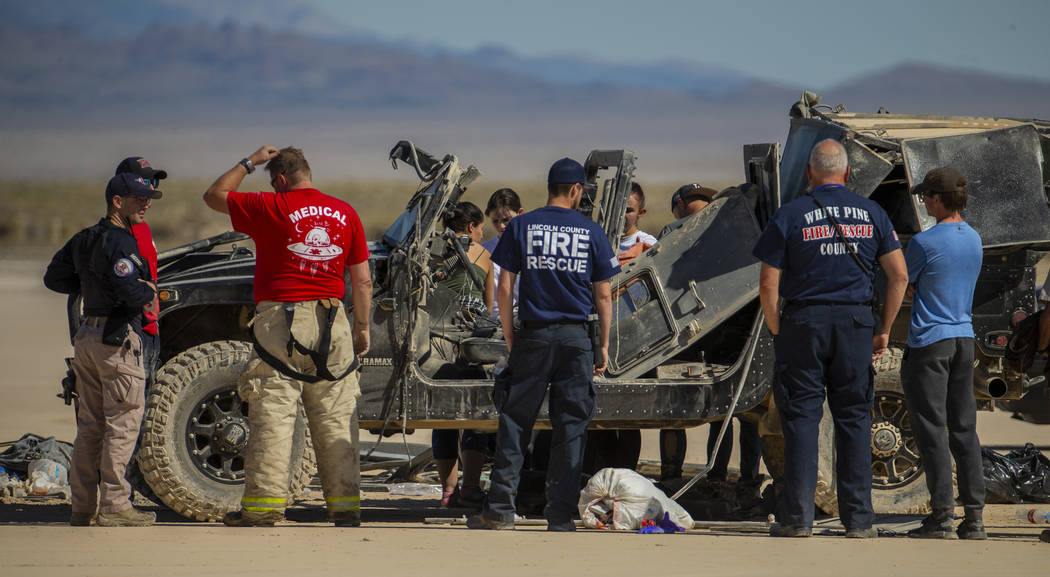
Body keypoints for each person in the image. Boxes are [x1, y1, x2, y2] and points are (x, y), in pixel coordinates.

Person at [203, 146, 372, 527]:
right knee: (335, 415)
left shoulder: (270, 206)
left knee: (274, 414)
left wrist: (249, 163)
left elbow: (214, 196)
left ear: (280, 180)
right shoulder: (345, 212)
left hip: (281, 322)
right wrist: (361, 328)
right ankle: (346, 509)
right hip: (334, 324)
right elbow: (362, 280)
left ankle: (263, 511)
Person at [752, 139, 907, 538]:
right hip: (855, 326)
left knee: (802, 419)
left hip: (804, 323)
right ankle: (859, 521)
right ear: (848, 174)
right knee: (854, 418)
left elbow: (768, 284)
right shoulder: (873, 212)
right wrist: (884, 327)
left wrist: (776, 329)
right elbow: (899, 275)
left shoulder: (791, 215)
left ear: (808, 173)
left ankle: (797, 519)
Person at [468, 157, 619, 531]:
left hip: (533, 335)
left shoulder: (521, 226)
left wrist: (509, 334)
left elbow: (504, 288)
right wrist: (602, 345)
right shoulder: (590, 230)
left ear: (550, 187)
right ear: (575, 190)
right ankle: (559, 516)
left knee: (516, 421)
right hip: (575, 339)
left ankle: (500, 508)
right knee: (570, 428)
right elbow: (603, 296)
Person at [44, 173, 162, 527]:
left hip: (86, 336)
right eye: (139, 197)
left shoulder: (84, 238)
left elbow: (53, 278)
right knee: (122, 424)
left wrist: (90, 283)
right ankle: (115, 506)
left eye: (149, 197)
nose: (147, 203)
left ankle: (82, 506)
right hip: (116, 339)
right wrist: (149, 290)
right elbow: (130, 290)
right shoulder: (120, 242)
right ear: (117, 201)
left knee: (90, 426)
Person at [902, 167, 986, 540]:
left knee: (932, 430)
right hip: (964, 339)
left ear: (938, 199)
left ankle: (940, 517)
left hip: (929, 342)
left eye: (926, 197)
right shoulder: (974, 238)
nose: (923, 202)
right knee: (965, 430)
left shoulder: (924, 242)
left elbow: (903, 286)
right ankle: (975, 519)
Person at [655, 183, 720, 482]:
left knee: (676, 409)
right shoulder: (705, 230)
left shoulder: (673, 231)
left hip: (690, 329)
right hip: (702, 329)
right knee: (711, 413)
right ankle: (701, 476)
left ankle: (676, 475)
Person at [431, 201, 493, 509]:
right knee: (475, 416)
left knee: (443, 418)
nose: (482, 233)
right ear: (471, 228)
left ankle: (447, 491)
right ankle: (470, 488)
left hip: (437, 345)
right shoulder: (482, 255)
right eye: (481, 227)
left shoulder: (434, 255)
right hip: (472, 345)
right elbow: (490, 306)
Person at [114, 156, 167, 385]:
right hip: (130, 330)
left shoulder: (142, 228)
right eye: (143, 189)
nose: (148, 200)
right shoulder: (117, 233)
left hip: (150, 328)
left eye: (153, 186)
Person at [482, 188, 524, 319]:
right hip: (491, 322)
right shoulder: (484, 251)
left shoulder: (531, 248)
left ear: (520, 213)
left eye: (506, 219)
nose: (501, 226)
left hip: (522, 322)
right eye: (495, 221)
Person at [616, 182, 657, 263]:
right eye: (617, 208)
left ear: (641, 213)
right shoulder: (600, 240)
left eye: (628, 210)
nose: (621, 215)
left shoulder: (648, 243)